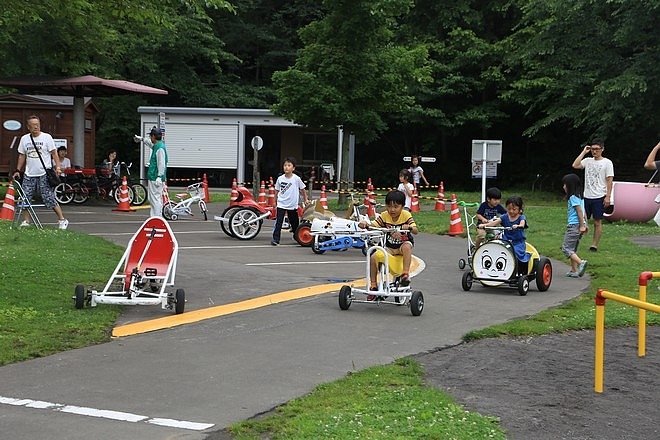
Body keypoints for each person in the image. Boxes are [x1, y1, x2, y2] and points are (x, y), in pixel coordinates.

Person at [12, 115, 68, 229]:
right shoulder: (25, 139)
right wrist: (18, 170)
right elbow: (22, 155)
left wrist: (57, 167)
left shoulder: (47, 137)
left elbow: (54, 153)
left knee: (48, 197)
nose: (35, 127)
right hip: (29, 173)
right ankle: (26, 221)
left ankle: (62, 219)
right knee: (25, 197)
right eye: (33, 125)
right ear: (28, 127)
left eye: (37, 125)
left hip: (44, 173)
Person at [358, 190, 419, 296]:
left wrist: (409, 227)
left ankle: (405, 274)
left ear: (402, 206)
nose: (392, 210)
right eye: (389, 206)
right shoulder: (384, 215)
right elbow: (374, 224)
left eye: (396, 207)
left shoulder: (406, 215)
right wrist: (365, 224)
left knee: (407, 247)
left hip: (402, 245)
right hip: (389, 246)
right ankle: (373, 285)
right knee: (373, 257)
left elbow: (415, 230)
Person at [572, 139, 614, 252]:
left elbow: (609, 180)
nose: (594, 152)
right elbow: (575, 165)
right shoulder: (587, 161)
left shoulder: (607, 162)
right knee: (581, 220)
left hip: (599, 196)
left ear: (602, 149)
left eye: (597, 149)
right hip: (587, 196)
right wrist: (584, 152)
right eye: (592, 149)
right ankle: (574, 243)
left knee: (597, 221)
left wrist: (608, 196)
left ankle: (594, 245)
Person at [477, 195, 530, 275]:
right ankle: (494, 269)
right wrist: (484, 225)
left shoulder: (521, 217)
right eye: (509, 209)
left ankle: (516, 271)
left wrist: (518, 226)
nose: (511, 211)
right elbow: (494, 223)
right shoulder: (505, 217)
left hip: (517, 243)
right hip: (506, 241)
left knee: (514, 252)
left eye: (514, 209)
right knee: (497, 250)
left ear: (520, 209)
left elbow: (522, 224)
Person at [271, 157, 309, 246]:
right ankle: (275, 239)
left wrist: (305, 199)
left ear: (293, 168)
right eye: (285, 165)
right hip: (281, 203)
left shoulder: (296, 179)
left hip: (292, 204)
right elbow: (276, 191)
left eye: (289, 165)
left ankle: (298, 237)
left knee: (295, 222)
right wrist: (274, 201)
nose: (286, 167)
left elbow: (302, 189)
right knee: (278, 222)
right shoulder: (280, 179)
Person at [561, 174, 589, 278]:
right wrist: (586, 224)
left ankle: (581, 262)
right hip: (579, 225)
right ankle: (574, 270)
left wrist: (582, 225)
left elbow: (579, 211)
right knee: (573, 249)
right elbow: (583, 211)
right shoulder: (580, 197)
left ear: (570, 185)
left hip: (574, 226)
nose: (563, 187)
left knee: (566, 248)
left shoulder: (573, 197)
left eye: (565, 184)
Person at [145, 127, 167, 218]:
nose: (150, 138)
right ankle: (156, 217)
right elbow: (150, 144)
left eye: (150, 136)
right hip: (155, 177)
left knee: (155, 199)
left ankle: (156, 218)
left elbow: (161, 163)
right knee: (156, 199)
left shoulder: (159, 148)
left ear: (154, 136)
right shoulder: (158, 146)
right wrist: (142, 139)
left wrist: (159, 176)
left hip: (155, 177)